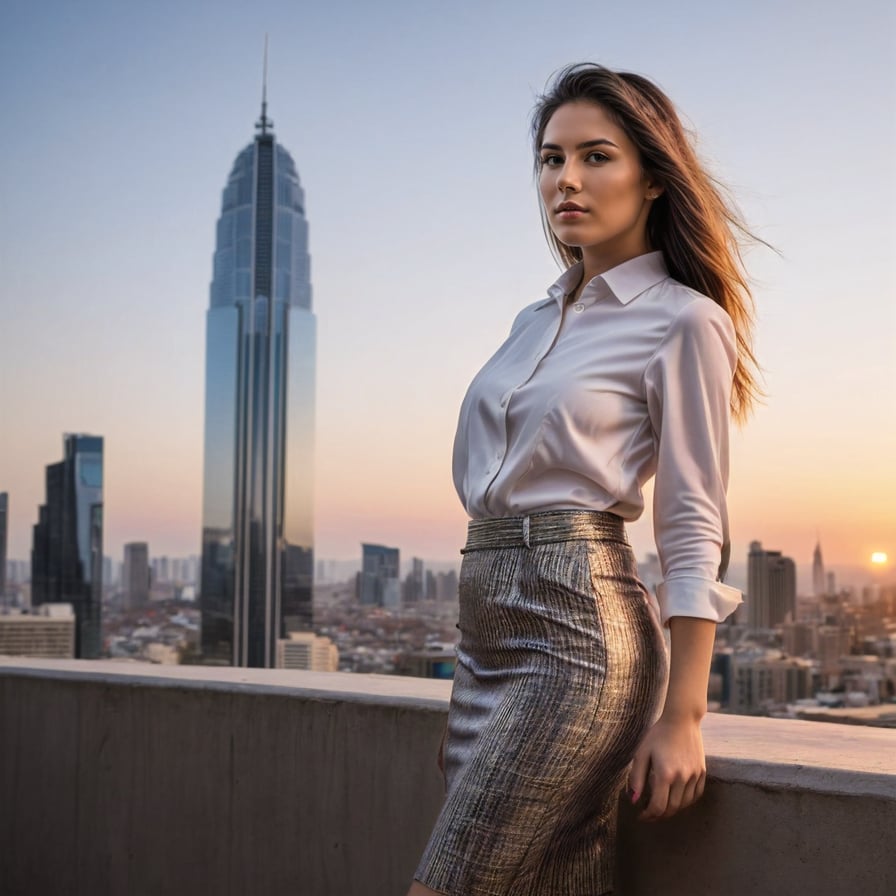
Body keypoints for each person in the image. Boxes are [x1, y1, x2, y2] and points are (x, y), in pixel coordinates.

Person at [408, 62, 759, 896]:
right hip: (483, 638)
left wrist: (683, 716)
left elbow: (692, 522)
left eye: (595, 156)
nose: (565, 179)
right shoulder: (531, 321)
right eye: (549, 157)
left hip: (578, 639)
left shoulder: (684, 320)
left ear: (652, 179)